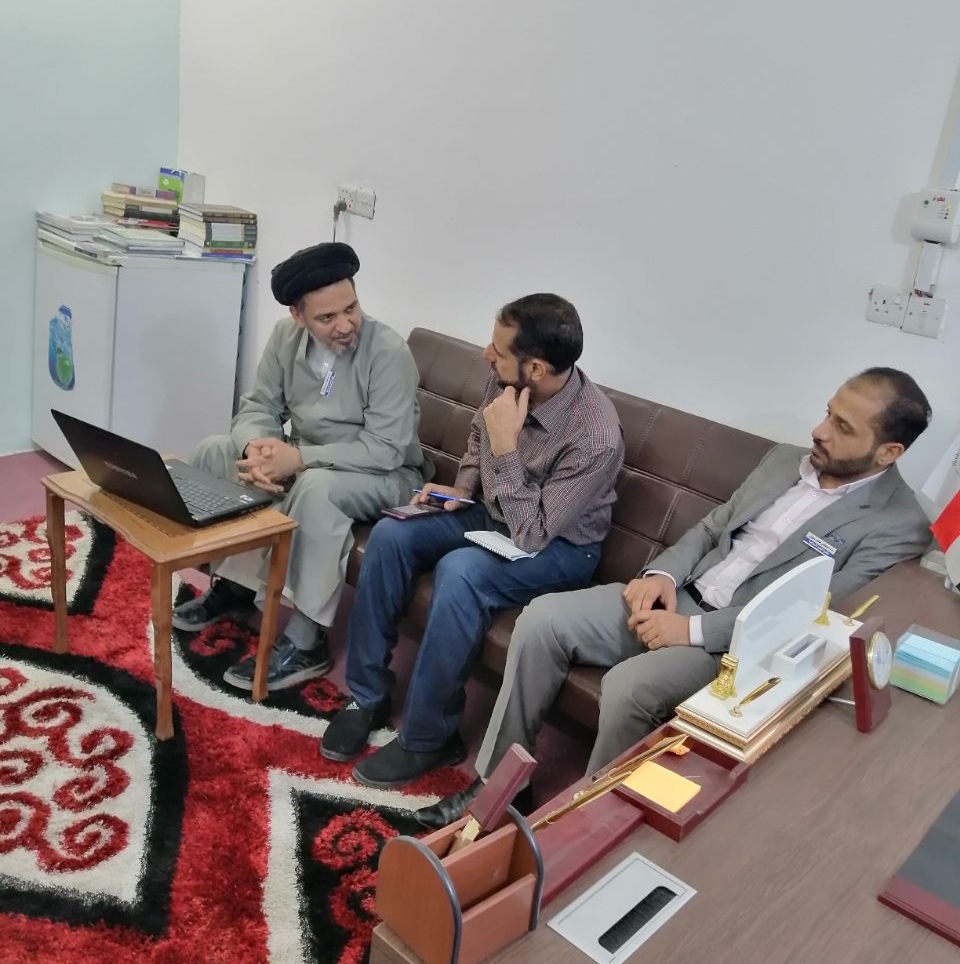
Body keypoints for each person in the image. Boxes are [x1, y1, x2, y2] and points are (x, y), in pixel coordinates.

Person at [417, 366, 933, 827]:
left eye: (843, 427)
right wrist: (661, 574)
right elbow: (712, 528)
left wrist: (691, 631)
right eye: (827, 413)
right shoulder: (785, 461)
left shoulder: (898, 525)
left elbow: (815, 613)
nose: (819, 430)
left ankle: (585, 827)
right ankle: (499, 787)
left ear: (888, 452)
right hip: (679, 593)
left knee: (627, 687)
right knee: (541, 621)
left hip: (733, 646)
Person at [320, 292, 625, 786]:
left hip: (560, 548)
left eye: (498, 351)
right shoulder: (506, 379)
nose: (487, 354)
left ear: (536, 369)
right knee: (393, 532)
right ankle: (366, 695)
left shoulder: (595, 436)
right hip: (492, 511)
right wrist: (461, 490)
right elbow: (479, 441)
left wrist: (506, 446)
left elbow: (532, 533)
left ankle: (429, 738)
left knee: (460, 572)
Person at [172, 242, 429, 691]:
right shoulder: (284, 338)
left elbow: (385, 448)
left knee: (317, 489)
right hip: (309, 457)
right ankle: (233, 587)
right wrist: (256, 449)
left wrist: (299, 460)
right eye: (327, 317)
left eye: (351, 308)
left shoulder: (387, 351)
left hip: (386, 475)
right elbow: (259, 406)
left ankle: (308, 641)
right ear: (298, 316)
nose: (345, 324)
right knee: (216, 451)